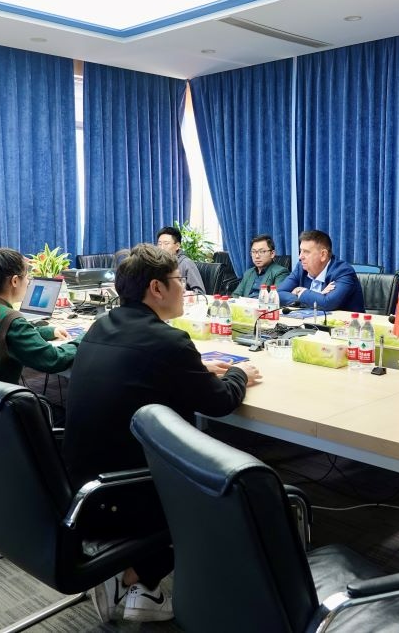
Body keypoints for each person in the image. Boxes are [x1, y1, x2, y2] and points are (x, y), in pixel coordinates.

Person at [64, 243, 261, 623]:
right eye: (178, 280)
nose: (184, 287)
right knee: (222, 496)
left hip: (83, 484)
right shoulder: (168, 341)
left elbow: (146, 367)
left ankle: (144, 590)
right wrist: (239, 374)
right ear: (156, 288)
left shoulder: (102, 325)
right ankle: (127, 576)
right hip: (126, 491)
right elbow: (220, 402)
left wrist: (194, 368)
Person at [0, 245, 80, 384]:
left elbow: (5, 334)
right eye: (27, 277)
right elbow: (54, 360)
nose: (28, 282)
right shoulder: (11, 320)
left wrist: (48, 332)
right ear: (14, 281)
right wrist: (83, 340)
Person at [276, 229, 364, 312]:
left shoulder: (343, 271)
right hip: (310, 320)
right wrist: (317, 297)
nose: (300, 257)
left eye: (306, 252)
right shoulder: (301, 268)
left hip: (344, 322)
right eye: (300, 251)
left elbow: (327, 304)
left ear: (323, 255)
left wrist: (300, 291)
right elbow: (278, 294)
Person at [231, 233, 289, 298]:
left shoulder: (280, 272)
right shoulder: (248, 273)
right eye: (253, 252)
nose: (257, 256)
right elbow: (236, 295)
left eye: (262, 251)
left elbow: (276, 297)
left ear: (272, 254)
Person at [155, 226, 205, 294]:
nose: (162, 248)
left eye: (166, 243)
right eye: (159, 244)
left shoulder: (186, 264)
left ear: (177, 246)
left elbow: (200, 293)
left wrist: (180, 293)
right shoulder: (156, 263)